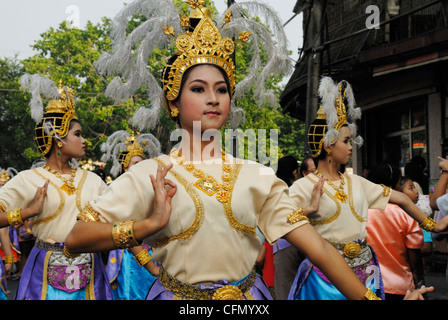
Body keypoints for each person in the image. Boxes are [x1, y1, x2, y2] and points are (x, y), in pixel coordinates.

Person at [65, 1, 436, 301]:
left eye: (222, 89)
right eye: (198, 88)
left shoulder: (255, 176)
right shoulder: (152, 175)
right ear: (173, 100)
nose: (213, 98)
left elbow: (320, 251)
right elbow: (76, 238)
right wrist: (148, 225)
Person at [287, 76, 447, 300]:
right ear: (328, 145)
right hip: (326, 281)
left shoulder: (357, 182)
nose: (351, 146)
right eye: (345, 141)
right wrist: (309, 210)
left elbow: (400, 198)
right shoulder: (303, 188)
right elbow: (278, 223)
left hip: (366, 271)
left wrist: (433, 225)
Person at [0, 76, 112, 300]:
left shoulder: (93, 181)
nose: (84, 141)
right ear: (58, 138)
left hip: (90, 270)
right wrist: (28, 212)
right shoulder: (28, 179)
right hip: (44, 272)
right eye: (77, 134)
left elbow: (120, 216)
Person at [100, 130, 160, 300]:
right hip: (127, 254)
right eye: (135, 163)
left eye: (142, 163)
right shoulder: (119, 191)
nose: (139, 167)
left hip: (153, 253)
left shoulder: (152, 190)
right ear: (125, 167)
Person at [366, 164, 425, 300]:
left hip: (369, 283)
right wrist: (419, 281)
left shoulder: (360, 211)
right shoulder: (404, 213)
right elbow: (414, 255)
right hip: (400, 286)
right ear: (393, 185)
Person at [273, 155, 313, 299]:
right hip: (297, 244)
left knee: (286, 289)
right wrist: (311, 208)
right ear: (296, 172)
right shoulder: (297, 189)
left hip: (284, 246)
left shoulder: (276, 188)